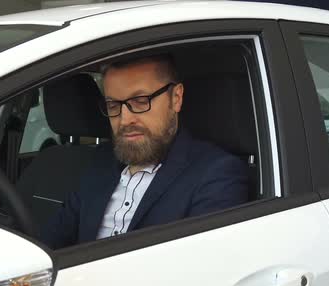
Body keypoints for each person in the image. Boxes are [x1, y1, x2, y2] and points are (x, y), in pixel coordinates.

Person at [40, 55, 248, 249]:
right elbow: (50, 243)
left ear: (176, 98)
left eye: (140, 101)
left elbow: (198, 271)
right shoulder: (101, 161)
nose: (124, 119)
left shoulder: (216, 173)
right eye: (113, 105)